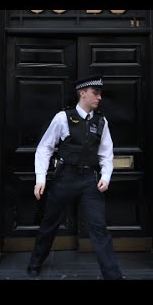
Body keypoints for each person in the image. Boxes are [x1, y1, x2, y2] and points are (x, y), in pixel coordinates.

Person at [26, 74, 124, 280]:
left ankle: (113, 275)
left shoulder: (101, 121)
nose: (99, 98)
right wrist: (40, 179)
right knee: (49, 224)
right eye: (95, 93)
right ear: (83, 93)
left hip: (90, 180)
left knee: (99, 228)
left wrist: (106, 175)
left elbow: (106, 152)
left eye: (100, 94)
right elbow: (44, 148)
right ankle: (35, 262)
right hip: (65, 179)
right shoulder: (63, 118)